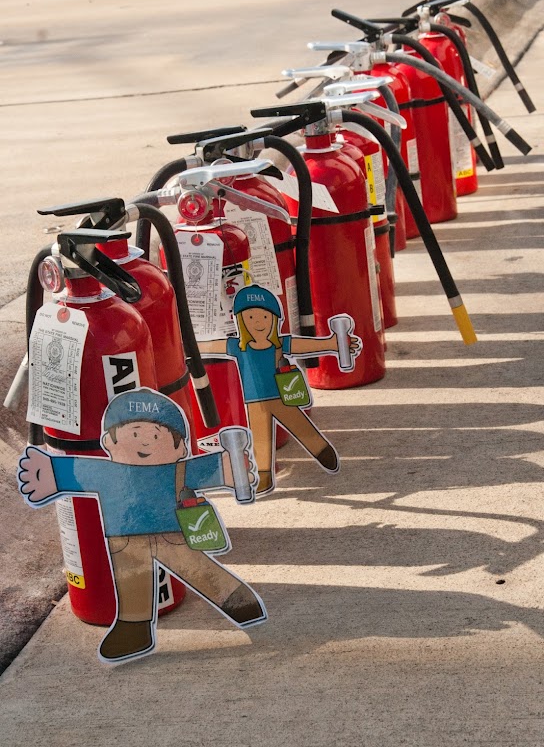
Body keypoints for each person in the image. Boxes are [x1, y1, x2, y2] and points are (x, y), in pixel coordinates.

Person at [17, 388, 266, 664]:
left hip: (172, 534)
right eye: (134, 433)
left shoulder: (178, 469)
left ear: (180, 448)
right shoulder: (105, 471)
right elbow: (73, 471)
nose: (145, 442)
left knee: (199, 570)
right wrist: (47, 472)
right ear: (109, 442)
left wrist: (231, 468)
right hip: (125, 542)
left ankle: (239, 601)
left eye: (158, 435)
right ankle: (134, 631)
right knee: (132, 585)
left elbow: (209, 469)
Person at [198, 284, 361, 494]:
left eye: (265, 317)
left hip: (281, 395)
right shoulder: (237, 346)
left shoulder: (279, 344)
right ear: (240, 321)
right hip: (255, 402)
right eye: (251, 318)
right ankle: (263, 475)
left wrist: (332, 344)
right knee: (260, 438)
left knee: (300, 424)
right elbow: (211, 346)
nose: (258, 323)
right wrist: (188, 347)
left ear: (274, 320)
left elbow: (304, 345)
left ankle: (321, 450)